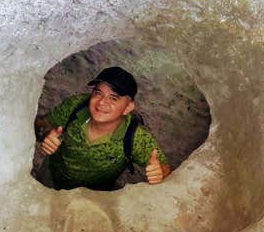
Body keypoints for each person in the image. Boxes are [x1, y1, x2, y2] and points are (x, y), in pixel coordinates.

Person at [38, 66, 171, 190]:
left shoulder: (135, 137)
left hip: (94, 199)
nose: (102, 102)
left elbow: (164, 167)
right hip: (50, 180)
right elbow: (41, 124)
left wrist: (160, 172)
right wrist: (45, 134)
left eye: (113, 98)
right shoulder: (74, 106)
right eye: (98, 93)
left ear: (128, 107)